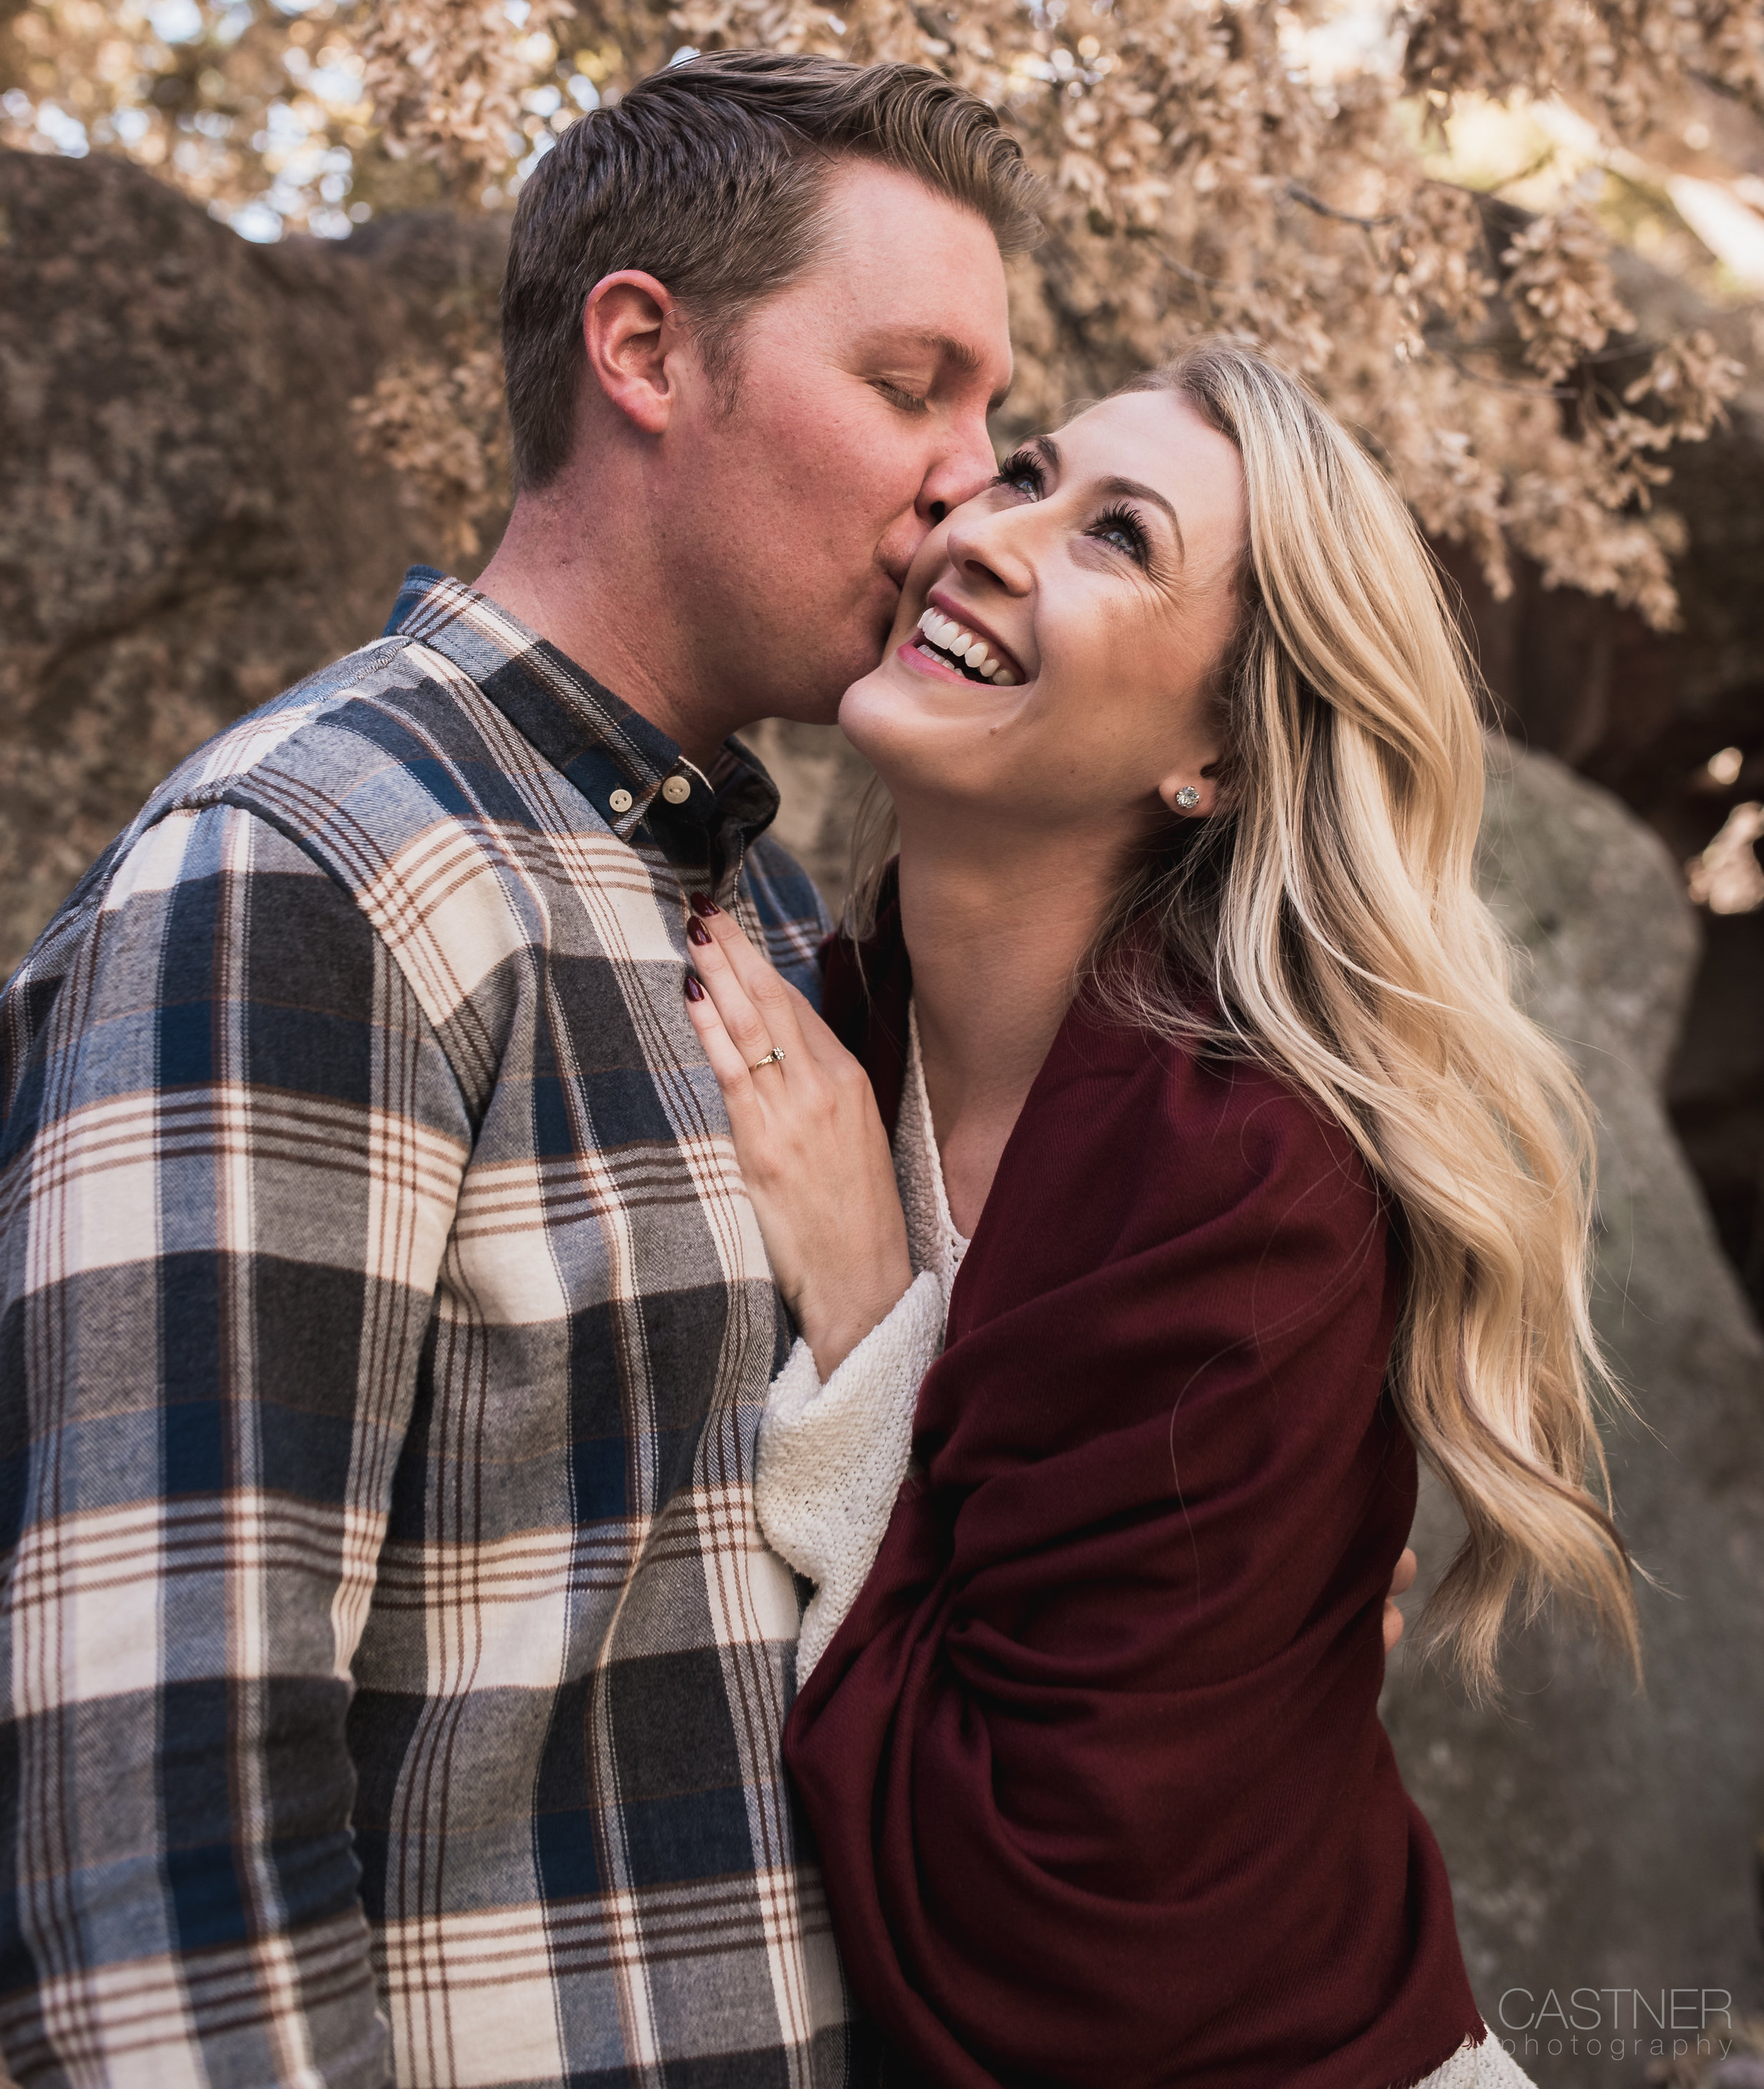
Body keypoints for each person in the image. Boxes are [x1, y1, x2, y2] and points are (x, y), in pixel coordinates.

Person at [0, 54, 1033, 2087]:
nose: (972, 480)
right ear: (642, 349)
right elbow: (140, 1802)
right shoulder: (308, 873)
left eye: (991, 413)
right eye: (914, 386)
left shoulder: (786, 916)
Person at [680, 345, 1641, 2089]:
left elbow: (1058, 1934)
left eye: (1115, 535)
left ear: (1212, 750)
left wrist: (873, 1315)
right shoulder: (832, 1018)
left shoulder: (1241, 1179)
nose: (988, 528)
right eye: (1024, 472)